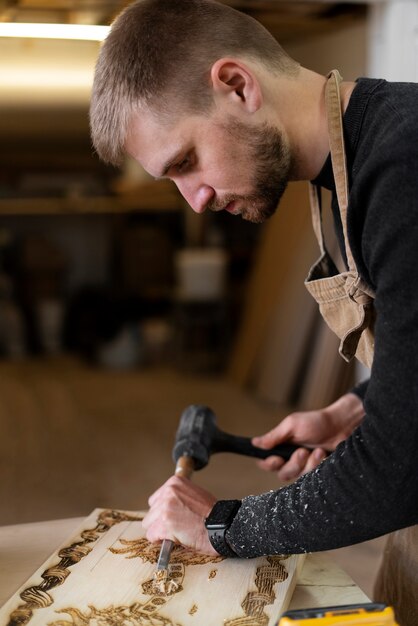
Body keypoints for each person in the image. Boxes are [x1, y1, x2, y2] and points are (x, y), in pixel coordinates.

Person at [89, 1, 418, 624]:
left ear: (238, 85)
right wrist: (355, 407)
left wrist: (221, 525)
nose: (195, 201)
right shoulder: (340, 175)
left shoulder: (402, 164)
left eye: (186, 162)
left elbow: (402, 465)